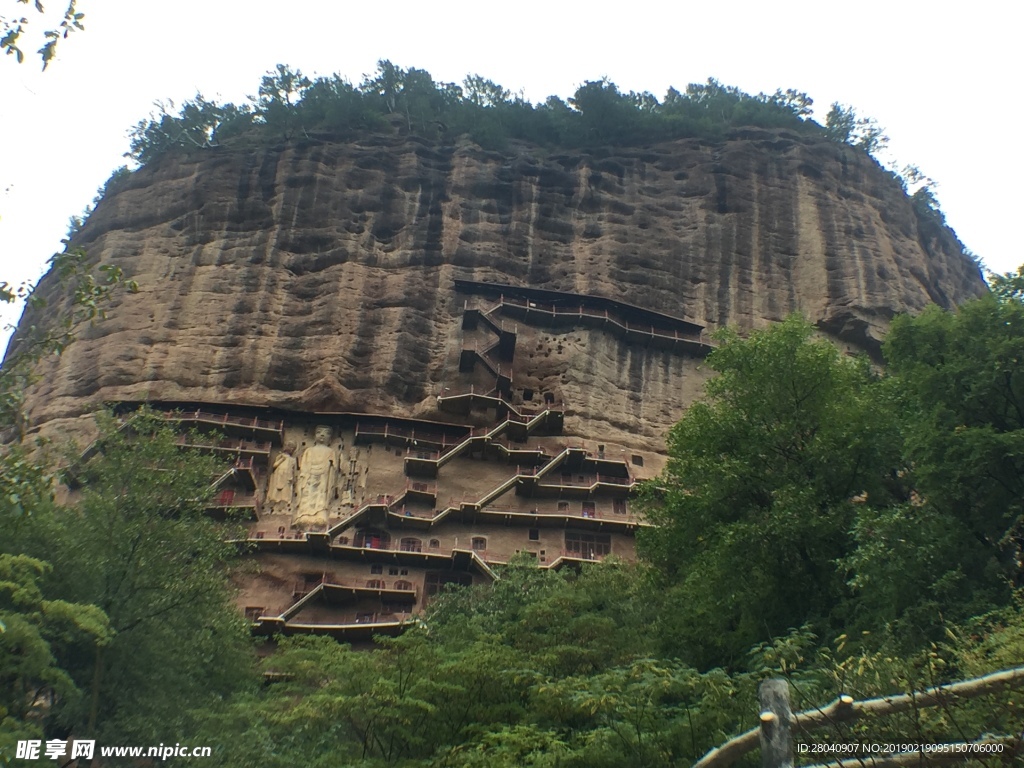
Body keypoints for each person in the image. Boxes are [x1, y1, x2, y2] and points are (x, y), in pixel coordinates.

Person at [293, 426, 338, 527]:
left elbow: (334, 467)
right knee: (306, 494)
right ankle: (304, 515)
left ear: (330, 439)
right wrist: (304, 476)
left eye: (326, 433)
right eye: (319, 432)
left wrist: (329, 475)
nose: (322, 435)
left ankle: (320, 514)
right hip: (309, 475)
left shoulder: (330, 451)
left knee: (321, 495)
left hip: (323, 476)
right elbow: (303, 465)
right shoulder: (309, 450)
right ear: (314, 436)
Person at [266, 443, 297, 514]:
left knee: (285, 495)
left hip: (287, 478)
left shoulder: (293, 460)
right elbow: (274, 466)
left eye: (292, 448)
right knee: (275, 493)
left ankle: (283, 509)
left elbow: (294, 471)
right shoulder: (280, 457)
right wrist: (282, 459)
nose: (290, 448)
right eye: (289, 446)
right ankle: (273, 509)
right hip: (278, 476)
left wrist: (293, 479)